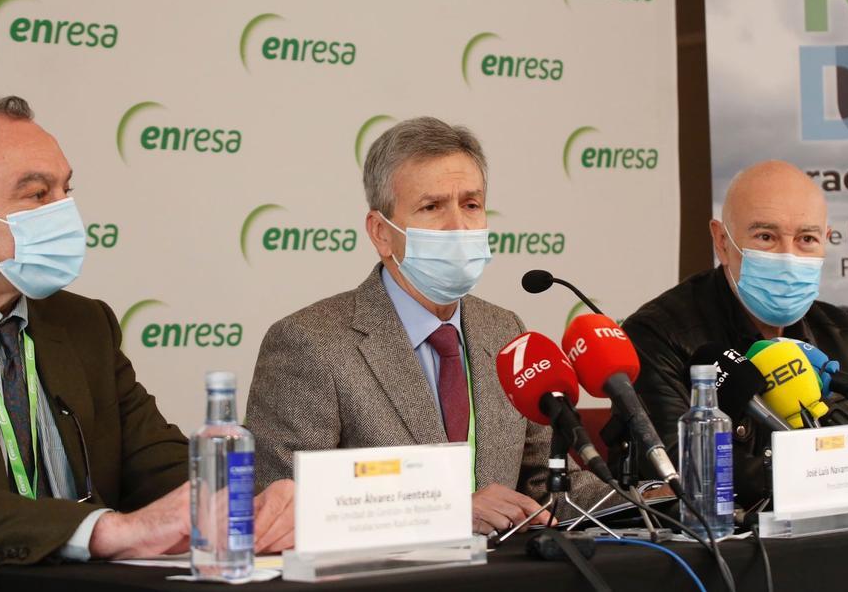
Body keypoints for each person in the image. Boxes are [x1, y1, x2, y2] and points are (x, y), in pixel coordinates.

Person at [0, 96, 293, 575]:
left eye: (66, 189)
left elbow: (153, 461)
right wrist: (103, 531)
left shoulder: (84, 324)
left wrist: (246, 505)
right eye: (37, 195)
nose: (66, 213)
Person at [246, 117, 609, 536]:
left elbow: (544, 483)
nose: (458, 226)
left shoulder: (503, 329)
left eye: (471, 205)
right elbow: (280, 503)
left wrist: (663, 496)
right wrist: (444, 511)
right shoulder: (310, 343)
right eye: (432, 207)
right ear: (382, 233)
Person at [621, 160, 848, 509]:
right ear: (722, 241)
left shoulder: (842, 333)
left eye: (806, 239)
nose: (788, 257)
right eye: (766, 237)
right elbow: (683, 471)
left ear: (826, 242)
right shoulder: (655, 335)